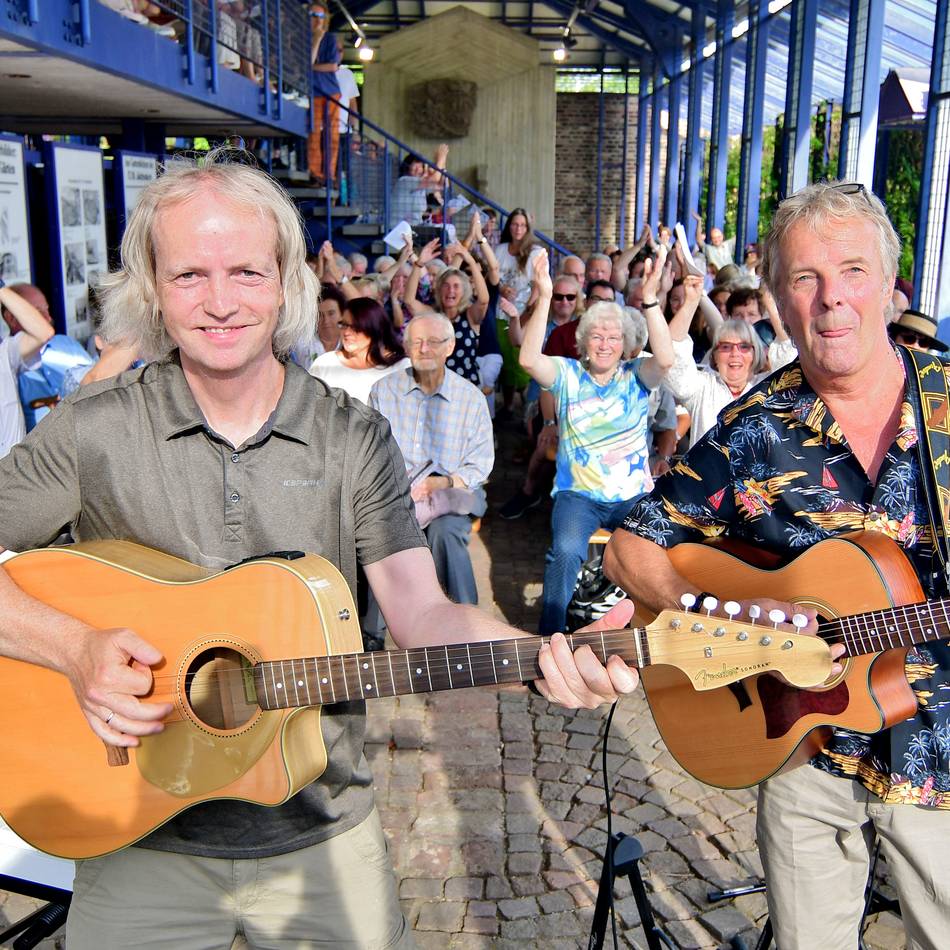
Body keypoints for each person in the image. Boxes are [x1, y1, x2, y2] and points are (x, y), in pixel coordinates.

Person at [0, 151, 639, 949]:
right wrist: (72, 646)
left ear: (287, 282)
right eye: (189, 275)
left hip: (321, 828)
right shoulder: (96, 429)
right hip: (136, 833)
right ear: (152, 290)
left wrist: (546, 653)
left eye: (246, 272)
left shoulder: (350, 438)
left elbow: (423, 612)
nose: (222, 302)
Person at [605, 181, 950, 950]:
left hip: (944, 765)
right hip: (801, 746)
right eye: (805, 279)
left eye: (853, 271)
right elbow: (633, 543)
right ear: (780, 305)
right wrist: (719, 615)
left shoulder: (947, 407)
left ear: (893, 288)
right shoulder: (754, 428)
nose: (831, 300)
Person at [520, 249, 674, 636]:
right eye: (597, 336)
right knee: (566, 550)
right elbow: (527, 360)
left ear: (625, 344)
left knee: (661, 546)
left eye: (613, 337)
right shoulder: (568, 374)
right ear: (584, 341)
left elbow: (667, 358)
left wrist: (652, 299)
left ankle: (658, 629)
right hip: (579, 495)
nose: (605, 344)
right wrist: (543, 294)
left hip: (631, 496)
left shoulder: (637, 374)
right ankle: (551, 635)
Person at [370, 313, 493, 605]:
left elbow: (480, 463)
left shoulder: (469, 398)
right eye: (417, 342)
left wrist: (442, 483)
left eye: (433, 342)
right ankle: (373, 633)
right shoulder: (384, 391)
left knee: (445, 533)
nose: (424, 349)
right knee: (377, 534)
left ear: (449, 347)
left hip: (450, 494)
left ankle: (465, 622)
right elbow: (372, 452)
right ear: (406, 346)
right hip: (396, 496)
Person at [404, 238, 489, 386]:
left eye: (456, 286)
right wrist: (419, 264)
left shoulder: (470, 315)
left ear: (464, 291)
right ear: (439, 289)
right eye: (446, 286)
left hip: (466, 388)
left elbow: (483, 300)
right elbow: (409, 301)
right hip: (435, 387)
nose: (451, 290)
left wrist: (470, 262)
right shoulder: (432, 315)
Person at [309, 296, 409, 404]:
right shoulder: (325, 363)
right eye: (344, 325)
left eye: (355, 327)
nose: (347, 332)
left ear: (373, 328)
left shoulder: (401, 367)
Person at [0, 281, 55, 458]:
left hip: (13, 475)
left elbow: (43, 332)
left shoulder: (5, 352)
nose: (47, 316)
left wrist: (1, 289)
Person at [307, 2, 341, 183]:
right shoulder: (303, 39)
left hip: (330, 92)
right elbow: (308, 62)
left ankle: (329, 173)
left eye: (320, 16)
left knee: (332, 135)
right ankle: (315, 172)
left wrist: (311, 67)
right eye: (313, 15)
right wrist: (316, 39)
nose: (316, 20)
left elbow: (333, 66)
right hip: (313, 92)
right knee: (314, 133)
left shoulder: (330, 39)